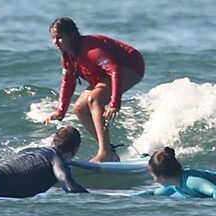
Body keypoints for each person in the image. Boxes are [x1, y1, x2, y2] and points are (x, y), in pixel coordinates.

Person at [43, 17, 145, 163]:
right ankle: (109, 151)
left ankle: (104, 153)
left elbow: (114, 70)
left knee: (94, 99)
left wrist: (115, 103)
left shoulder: (90, 49)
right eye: (53, 38)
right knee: (79, 108)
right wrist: (61, 111)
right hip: (106, 74)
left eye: (59, 38)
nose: (55, 42)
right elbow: (68, 82)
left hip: (131, 65)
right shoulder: (67, 56)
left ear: (71, 36)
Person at [0, 126, 88, 198]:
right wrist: (98, 201)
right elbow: (70, 189)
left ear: (53, 141)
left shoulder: (32, 150)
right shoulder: (56, 159)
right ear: (75, 150)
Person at [139, 147, 216, 199]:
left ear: (163, 177)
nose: (152, 177)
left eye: (152, 174)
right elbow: (153, 193)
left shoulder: (190, 181)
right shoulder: (176, 186)